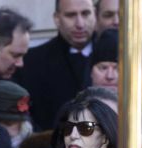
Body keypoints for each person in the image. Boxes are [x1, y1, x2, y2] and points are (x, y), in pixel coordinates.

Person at [15, 0, 96, 131]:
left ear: (95, 14)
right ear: (57, 19)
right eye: (71, 15)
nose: (80, 24)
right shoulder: (32, 62)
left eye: (86, 13)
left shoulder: (115, 55)